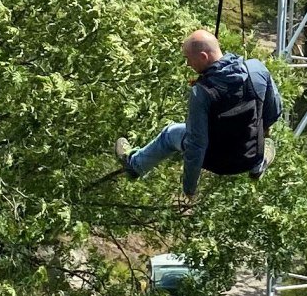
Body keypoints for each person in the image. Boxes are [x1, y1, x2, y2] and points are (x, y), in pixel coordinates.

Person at [115, 30, 281, 198]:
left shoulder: (202, 92)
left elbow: (197, 144)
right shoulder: (256, 70)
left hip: (218, 162)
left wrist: (189, 188)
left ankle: (134, 165)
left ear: (203, 57)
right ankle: (258, 165)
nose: (188, 64)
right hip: (250, 155)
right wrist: (263, 131)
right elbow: (274, 110)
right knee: (261, 134)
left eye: (188, 58)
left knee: (170, 133)